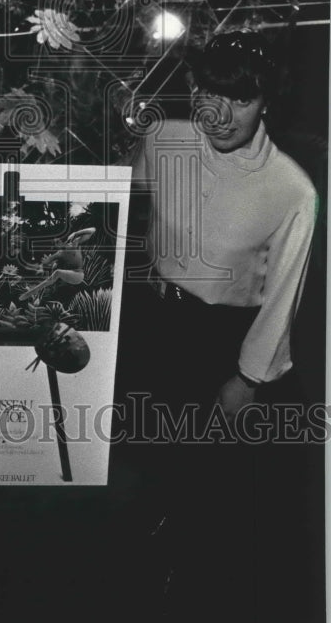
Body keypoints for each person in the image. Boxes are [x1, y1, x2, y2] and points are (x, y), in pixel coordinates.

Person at [120, 30, 318, 619]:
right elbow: (121, 198)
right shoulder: (165, 139)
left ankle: (195, 581)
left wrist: (248, 378)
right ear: (191, 89)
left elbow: (284, 296)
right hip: (155, 322)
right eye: (209, 93)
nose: (221, 114)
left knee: (213, 482)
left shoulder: (293, 190)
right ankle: (152, 549)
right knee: (152, 448)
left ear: (267, 101)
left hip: (222, 342)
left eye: (242, 98)